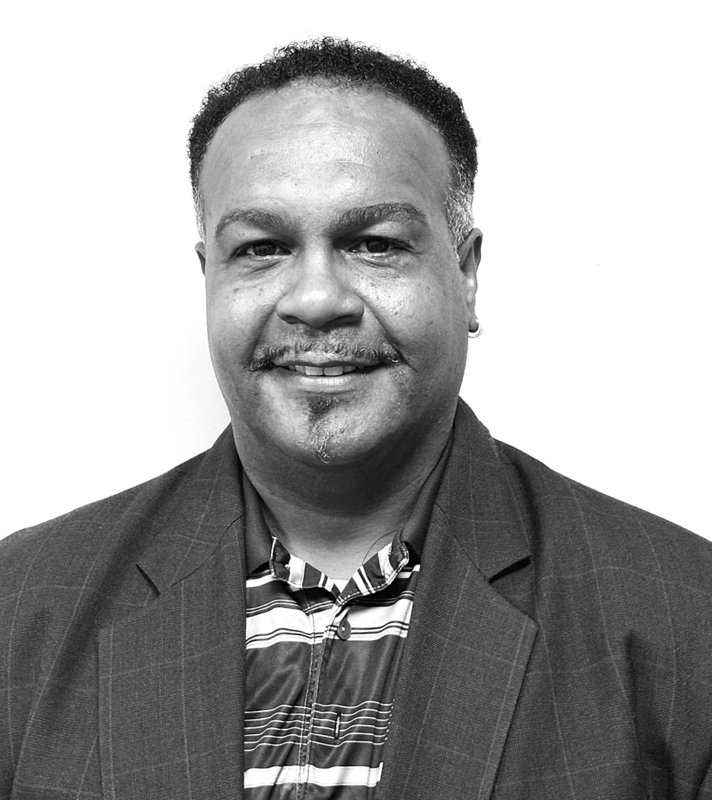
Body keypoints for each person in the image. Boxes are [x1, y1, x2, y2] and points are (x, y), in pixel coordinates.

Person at [2, 37, 711, 800]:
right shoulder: (20, 606)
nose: (316, 299)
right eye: (262, 248)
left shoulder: (685, 615)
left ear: (466, 275)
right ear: (209, 277)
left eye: (375, 244)